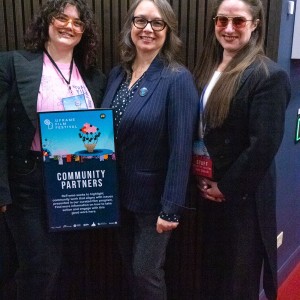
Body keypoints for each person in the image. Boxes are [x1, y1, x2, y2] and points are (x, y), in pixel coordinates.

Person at [0, 0, 106, 299]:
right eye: (61, 18)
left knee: (69, 263)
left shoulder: (94, 77)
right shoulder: (12, 64)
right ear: (46, 22)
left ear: (84, 32)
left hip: (76, 182)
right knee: (39, 265)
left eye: (77, 22)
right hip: (28, 183)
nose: (69, 26)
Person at [192, 0, 291, 299]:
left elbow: (263, 145)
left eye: (239, 21)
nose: (229, 28)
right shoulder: (210, 67)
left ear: (255, 24)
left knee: (238, 280)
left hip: (243, 197)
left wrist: (226, 187)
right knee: (212, 274)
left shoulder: (267, 75)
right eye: (222, 20)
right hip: (208, 189)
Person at [101, 0, 198, 298]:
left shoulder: (176, 78)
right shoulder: (118, 74)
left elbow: (181, 151)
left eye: (157, 23)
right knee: (129, 269)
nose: (147, 29)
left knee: (146, 273)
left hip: (153, 202)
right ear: (130, 25)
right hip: (116, 195)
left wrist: (171, 209)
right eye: (140, 20)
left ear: (168, 31)